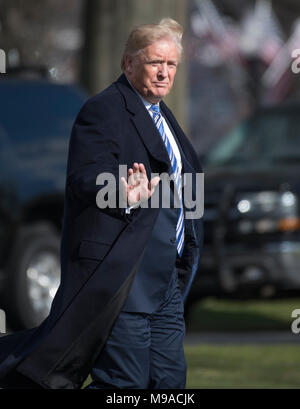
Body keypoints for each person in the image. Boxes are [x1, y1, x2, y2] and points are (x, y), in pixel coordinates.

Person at [0, 18, 203, 389]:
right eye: (155, 62)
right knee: (123, 384)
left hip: (167, 283)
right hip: (124, 274)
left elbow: (186, 182)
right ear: (128, 64)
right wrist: (122, 192)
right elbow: (85, 176)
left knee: (169, 383)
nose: (164, 73)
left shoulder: (164, 118)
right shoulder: (105, 110)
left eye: (171, 65)